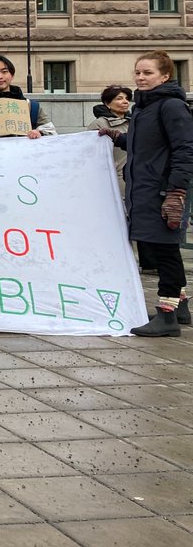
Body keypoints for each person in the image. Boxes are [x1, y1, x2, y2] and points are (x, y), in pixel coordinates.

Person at [99, 51, 193, 337]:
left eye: (148, 73)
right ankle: (180, 307)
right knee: (160, 247)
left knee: (164, 251)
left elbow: (185, 149)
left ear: (165, 76)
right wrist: (117, 137)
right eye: (138, 72)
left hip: (162, 191)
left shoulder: (171, 106)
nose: (140, 77)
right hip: (146, 190)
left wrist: (175, 192)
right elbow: (143, 145)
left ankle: (167, 316)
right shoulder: (144, 107)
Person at [88, 85, 132, 196]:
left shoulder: (135, 122)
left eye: (127, 99)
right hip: (112, 178)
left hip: (135, 177)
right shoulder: (99, 124)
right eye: (119, 98)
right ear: (107, 103)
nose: (125, 102)